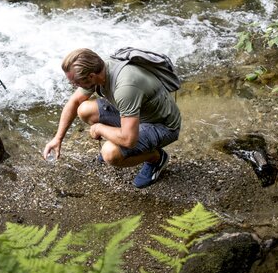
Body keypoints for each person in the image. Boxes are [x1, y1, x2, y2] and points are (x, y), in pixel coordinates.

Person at [43, 48, 181, 188]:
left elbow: (128, 140)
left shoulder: (125, 88)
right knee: (84, 110)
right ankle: (124, 138)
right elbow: (74, 102)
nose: (74, 86)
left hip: (162, 126)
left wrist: (99, 128)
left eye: (75, 83)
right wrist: (58, 138)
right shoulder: (100, 69)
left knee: (110, 153)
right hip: (138, 114)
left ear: (91, 76)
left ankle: (156, 158)